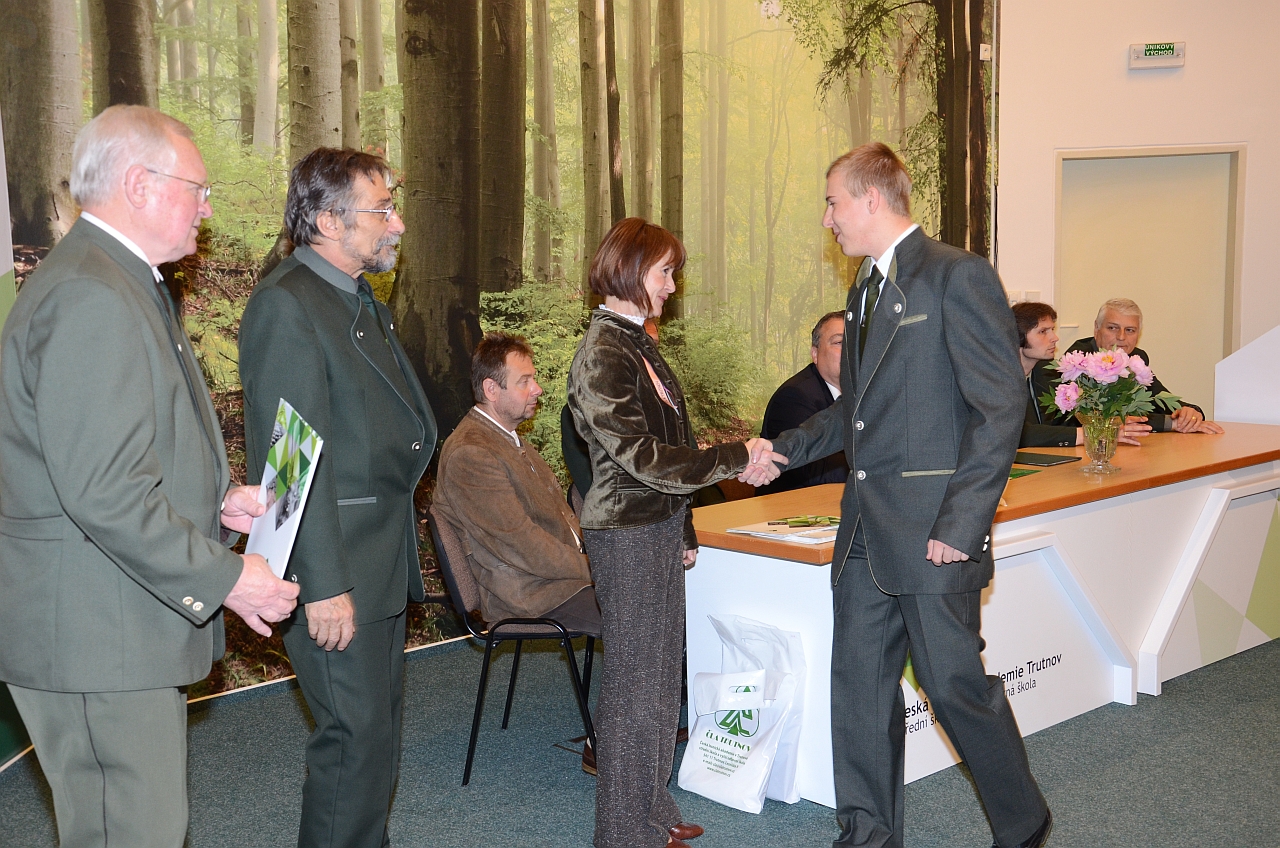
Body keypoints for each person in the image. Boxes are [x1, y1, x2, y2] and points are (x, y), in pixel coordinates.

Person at [0, 104, 299, 848]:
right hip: (96, 635)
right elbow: (104, 492)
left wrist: (215, 500)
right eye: (197, 188)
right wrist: (228, 578)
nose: (207, 207)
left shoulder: (115, 279)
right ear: (138, 184)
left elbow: (112, 453)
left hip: (109, 623)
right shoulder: (93, 294)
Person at [769, 143, 1053, 848]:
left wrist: (962, 522)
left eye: (833, 201)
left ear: (871, 199)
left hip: (934, 531)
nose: (827, 218)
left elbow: (999, 409)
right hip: (866, 529)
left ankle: (1024, 824)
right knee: (860, 688)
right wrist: (783, 449)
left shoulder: (957, 275)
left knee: (952, 684)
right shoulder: (865, 288)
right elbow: (856, 409)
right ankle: (867, 835)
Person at [237, 147, 437, 848]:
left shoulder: (353, 297)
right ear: (328, 221)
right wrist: (320, 586)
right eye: (382, 209)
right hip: (335, 571)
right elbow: (288, 463)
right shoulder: (289, 303)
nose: (397, 223)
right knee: (353, 743)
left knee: (373, 742)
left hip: (375, 561)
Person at [566, 217, 782, 848]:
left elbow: (672, 443)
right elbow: (644, 459)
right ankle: (621, 831)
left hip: (655, 528)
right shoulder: (604, 352)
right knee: (634, 686)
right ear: (632, 270)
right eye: (665, 272)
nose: (671, 285)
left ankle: (652, 810)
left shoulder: (635, 341)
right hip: (626, 536)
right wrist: (736, 457)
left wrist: (683, 525)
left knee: (660, 681)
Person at [435, 332, 600, 637]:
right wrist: (596, 567)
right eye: (524, 381)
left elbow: (557, 522)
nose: (537, 389)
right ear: (491, 389)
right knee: (647, 616)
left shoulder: (506, 439)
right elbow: (522, 546)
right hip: (531, 595)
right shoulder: (471, 454)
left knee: (663, 601)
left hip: (557, 582)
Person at [1065, 298, 1223, 434]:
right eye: (1112, 328)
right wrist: (1170, 423)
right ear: (1096, 329)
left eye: (1130, 330)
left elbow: (1160, 398)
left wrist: (1189, 414)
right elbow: (1105, 418)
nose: (1121, 337)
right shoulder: (1078, 361)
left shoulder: (1135, 358)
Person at [1014, 301, 1148, 448]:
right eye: (1043, 332)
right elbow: (1016, 433)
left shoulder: (1041, 370)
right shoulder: (1000, 381)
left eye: (1052, 329)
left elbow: (1055, 425)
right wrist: (1090, 434)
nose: (1055, 337)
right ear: (1017, 336)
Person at [760, 310, 850, 492]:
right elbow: (811, 470)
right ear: (815, 354)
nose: (849, 351)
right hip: (794, 505)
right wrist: (874, 471)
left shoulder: (867, 395)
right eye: (839, 342)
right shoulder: (794, 396)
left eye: (855, 344)